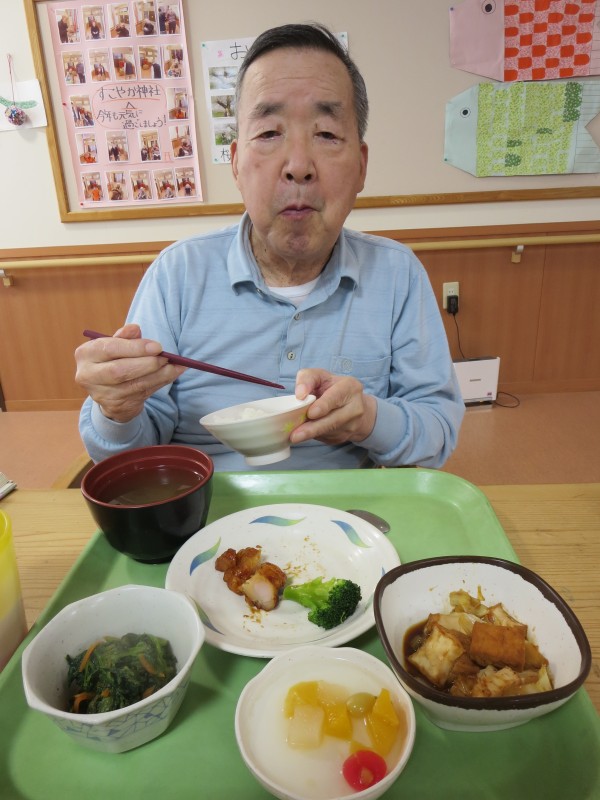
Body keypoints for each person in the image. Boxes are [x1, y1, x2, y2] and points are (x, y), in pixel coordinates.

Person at [76, 23, 464, 471]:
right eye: (268, 133)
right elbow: (126, 458)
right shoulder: (177, 273)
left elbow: (437, 434)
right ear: (236, 164)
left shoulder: (397, 274)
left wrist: (368, 419)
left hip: (349, 510)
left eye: (326, 133)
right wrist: (118, 410)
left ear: (360, 166)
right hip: (208, 506)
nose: (298, 166)